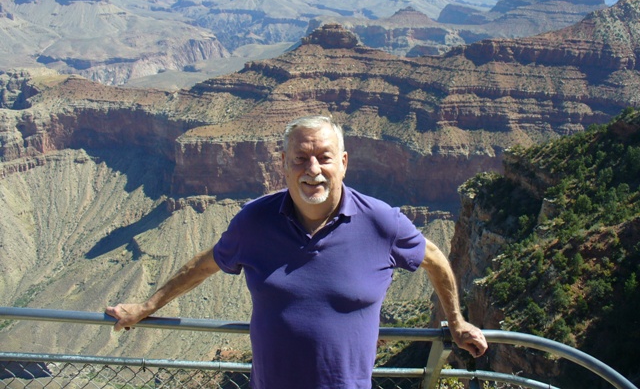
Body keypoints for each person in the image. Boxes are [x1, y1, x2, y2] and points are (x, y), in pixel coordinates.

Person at [106, 114, 487, 389]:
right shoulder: (254, 221)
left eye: (323, 157)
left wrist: (455, 321)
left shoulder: (381, 223)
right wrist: (147, 307)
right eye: (300, 159)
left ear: (344, 163)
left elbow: (434, 258)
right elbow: (204, 265)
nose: (313, 170)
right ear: (284, 166)